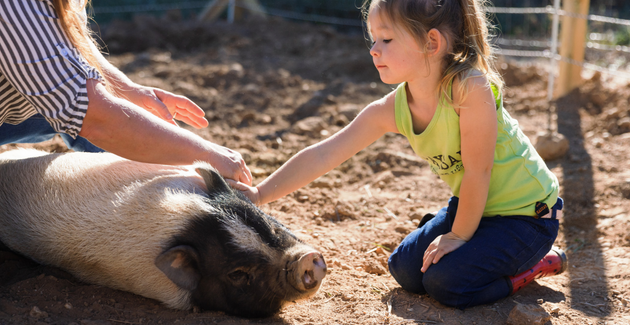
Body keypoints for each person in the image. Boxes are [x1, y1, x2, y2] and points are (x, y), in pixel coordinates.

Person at [230, 0, 567, 309]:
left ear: (431, 43)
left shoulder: (470, 88)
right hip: (473, 205)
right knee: (404, 269)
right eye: (373, 39)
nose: (374, 50)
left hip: (527, 215)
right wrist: (260, 193)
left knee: (447, 285)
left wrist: (456, 236)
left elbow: (479, 172)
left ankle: (535, 265)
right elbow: (325, 153)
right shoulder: (393, 108)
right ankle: (469, 244)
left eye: (387, 40)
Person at [0, 0, 252, 185]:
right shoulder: (16, 8)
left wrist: (129, 91)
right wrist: (205, 154)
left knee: (114, 111)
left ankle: (163, 183)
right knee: (101, 116)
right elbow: (98, 119)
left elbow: (71, 43)